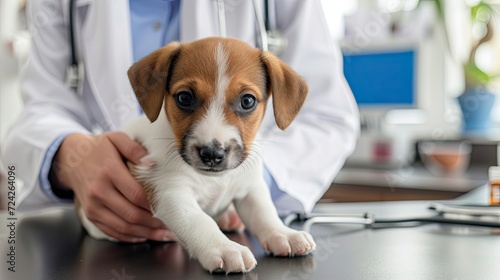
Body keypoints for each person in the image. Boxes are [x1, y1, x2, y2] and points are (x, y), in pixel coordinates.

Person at [2, 0, 359, 243]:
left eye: (246, 102)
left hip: (232, 228)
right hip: (99, 239)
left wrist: (236, 188)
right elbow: (40, 108)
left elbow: (325, 115)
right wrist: (67, 156)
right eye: (186, 99)